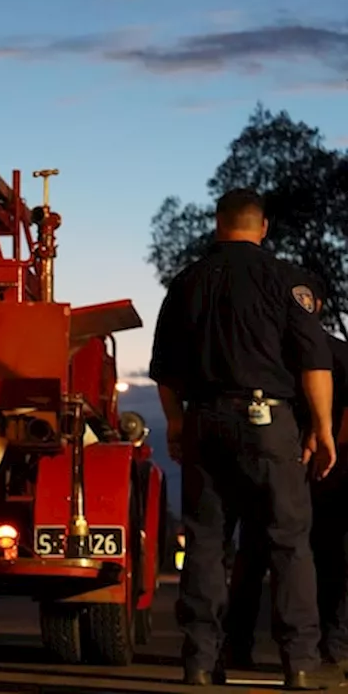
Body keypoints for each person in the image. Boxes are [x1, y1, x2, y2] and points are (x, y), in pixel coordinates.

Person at [149, 187, 337, 689]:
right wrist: (321, 429)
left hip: (206, 419)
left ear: (218, 224)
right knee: (289, 543)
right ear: (263, 228)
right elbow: (315, 361)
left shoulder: (186, 283)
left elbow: (164, 371)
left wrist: (176, 422)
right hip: (270, 422)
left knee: (207, 542)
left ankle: (200, 663)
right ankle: (298, 663)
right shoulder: (286, 280)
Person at [223, 273, 348, 669]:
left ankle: (238, 644)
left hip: (273, 464)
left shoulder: (264, 353)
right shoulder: (340, 354)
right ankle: (333, 645)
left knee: (255, 553)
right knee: (329, 559)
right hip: (331, 470)